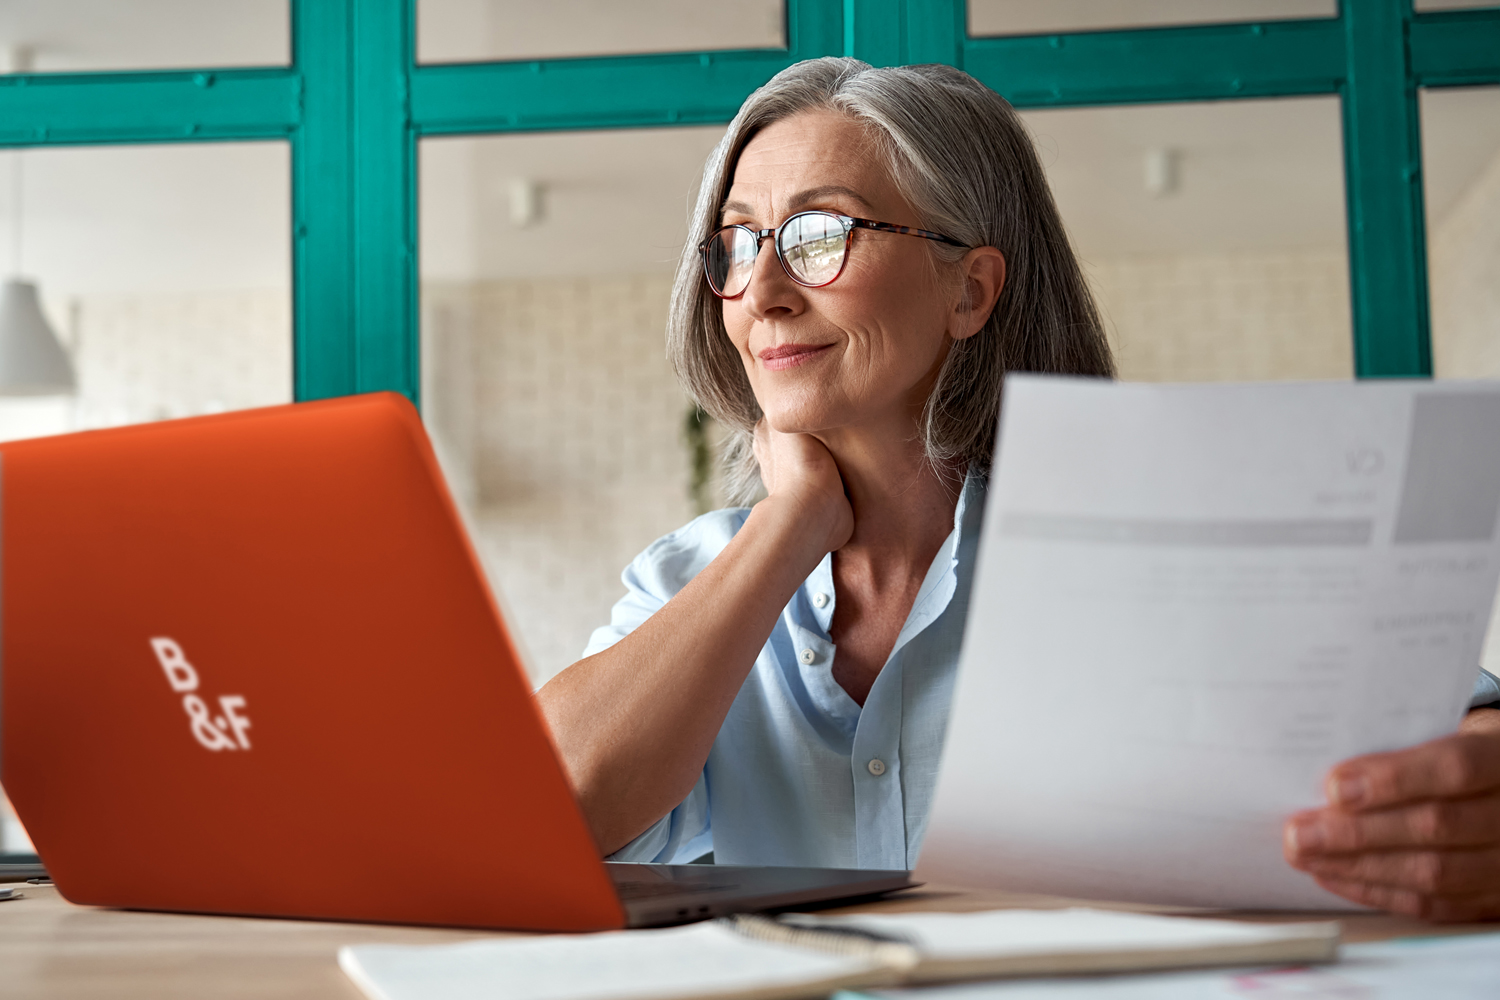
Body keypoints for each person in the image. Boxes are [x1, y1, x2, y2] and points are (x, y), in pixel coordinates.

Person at [536, 57, 1500, 921]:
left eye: (819, 234)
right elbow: (546, 815)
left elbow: (1454, 724)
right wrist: (789, 525)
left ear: (971, 291)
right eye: (738, 245)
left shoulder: (1148, 536)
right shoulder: (687, 581)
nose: (766, 291)